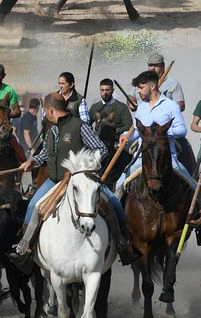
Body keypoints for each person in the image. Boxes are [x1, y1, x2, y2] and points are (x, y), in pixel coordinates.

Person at [10, 93, 138, 269]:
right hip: (55, 180)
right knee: (32, 206)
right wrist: (33, 161)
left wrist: (86, 164)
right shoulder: (51, 128)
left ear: (51, 110)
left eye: (45, 111)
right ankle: (25, 250)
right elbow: (47, 154)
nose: (45, 114)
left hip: (81, 180)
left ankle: (125, 245)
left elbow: (101, 149)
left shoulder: (80, 126)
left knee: (113, 202)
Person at [115, 71, 196, 192]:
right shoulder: (141, 108)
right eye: (138, 88)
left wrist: (161, 134)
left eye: (141, 87)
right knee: (118, 186)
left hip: (167, 158)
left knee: (193, 186)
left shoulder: (171, 106)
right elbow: (137, 132)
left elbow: (182, 130)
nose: (138, 91)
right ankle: (119, 211)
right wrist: (126, 136)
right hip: (142, 158)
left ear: (153, 86)